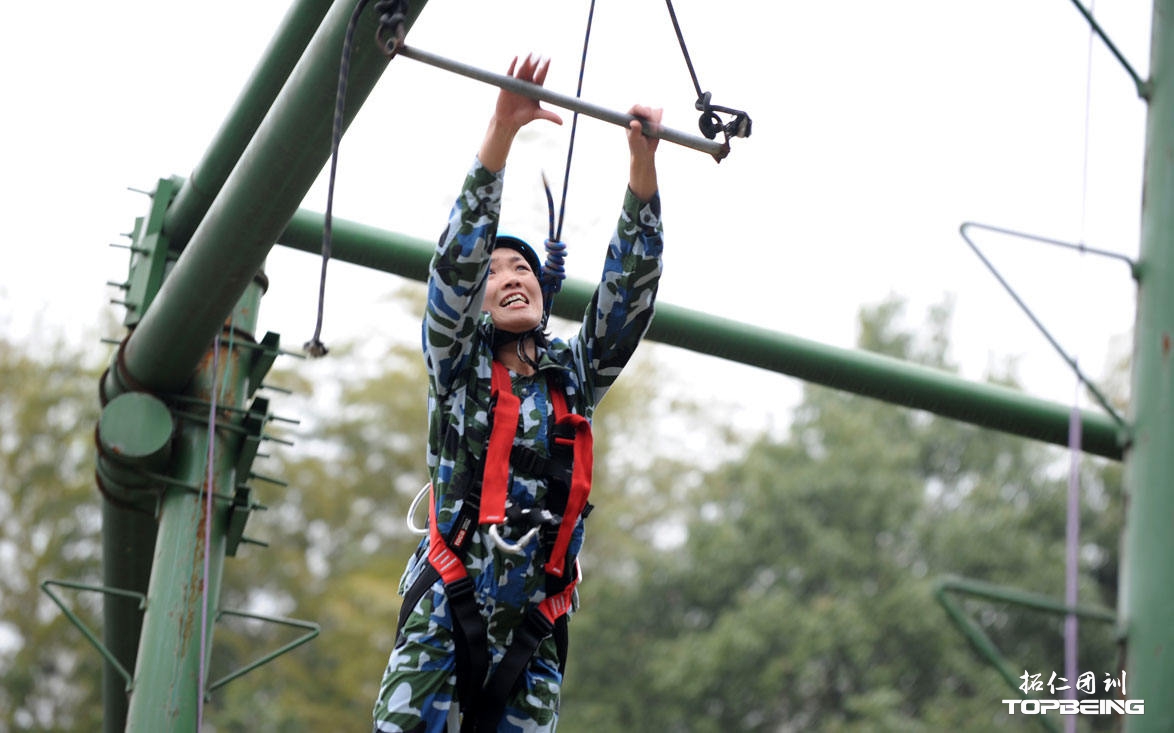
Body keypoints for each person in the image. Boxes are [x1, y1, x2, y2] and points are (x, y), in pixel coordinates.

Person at [373, 53, 663, 733]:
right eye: (497, 269)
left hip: (532, 641)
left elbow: (627, 305)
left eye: (524, 268)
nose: (511, 277)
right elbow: (453, 272)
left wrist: (642, 171)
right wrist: (499, 135)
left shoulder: (573, 375)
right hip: (447, 617)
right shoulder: (458, 365)